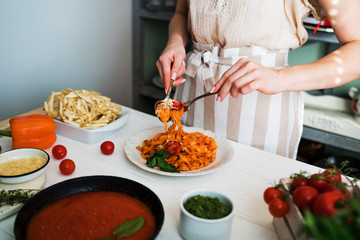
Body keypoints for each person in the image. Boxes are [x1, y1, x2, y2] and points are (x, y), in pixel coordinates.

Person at [156, 0, 360, 159]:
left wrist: (279, 77)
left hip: (260, 107)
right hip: (193, 93)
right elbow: (182, 13)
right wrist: (176, 42)